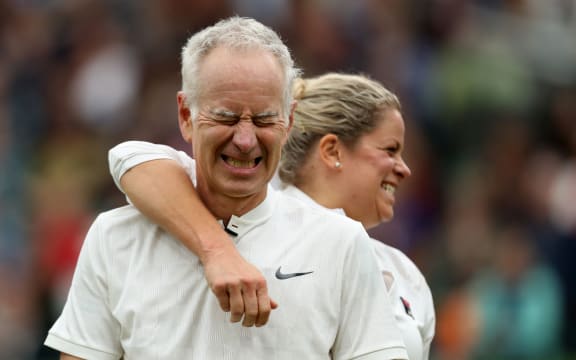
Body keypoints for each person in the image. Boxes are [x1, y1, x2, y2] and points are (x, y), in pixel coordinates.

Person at [44, 17, 408, 359]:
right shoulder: (115, 238)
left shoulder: (341, 243)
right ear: (186, 116)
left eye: (264, 119)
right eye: (225, 117)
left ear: (289, 120)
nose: (246, 140)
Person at [108, 73, 435, 360]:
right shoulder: (247, 221)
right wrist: (217, 251)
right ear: (332, 151)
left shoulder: (407, 275)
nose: (404, 168)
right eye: (390, 150)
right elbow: (131, 157)